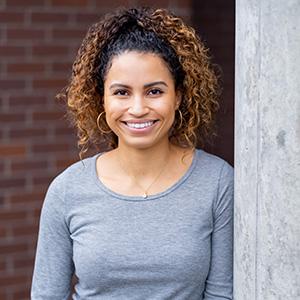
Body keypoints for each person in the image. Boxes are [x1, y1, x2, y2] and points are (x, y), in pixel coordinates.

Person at [31, 7, 233, 300]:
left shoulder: (217, 182)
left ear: (178, 96)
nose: (137, 108)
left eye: (154, 91)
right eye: (122, 92)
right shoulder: (67, 190)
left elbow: (222, 295)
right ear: (101, 98)